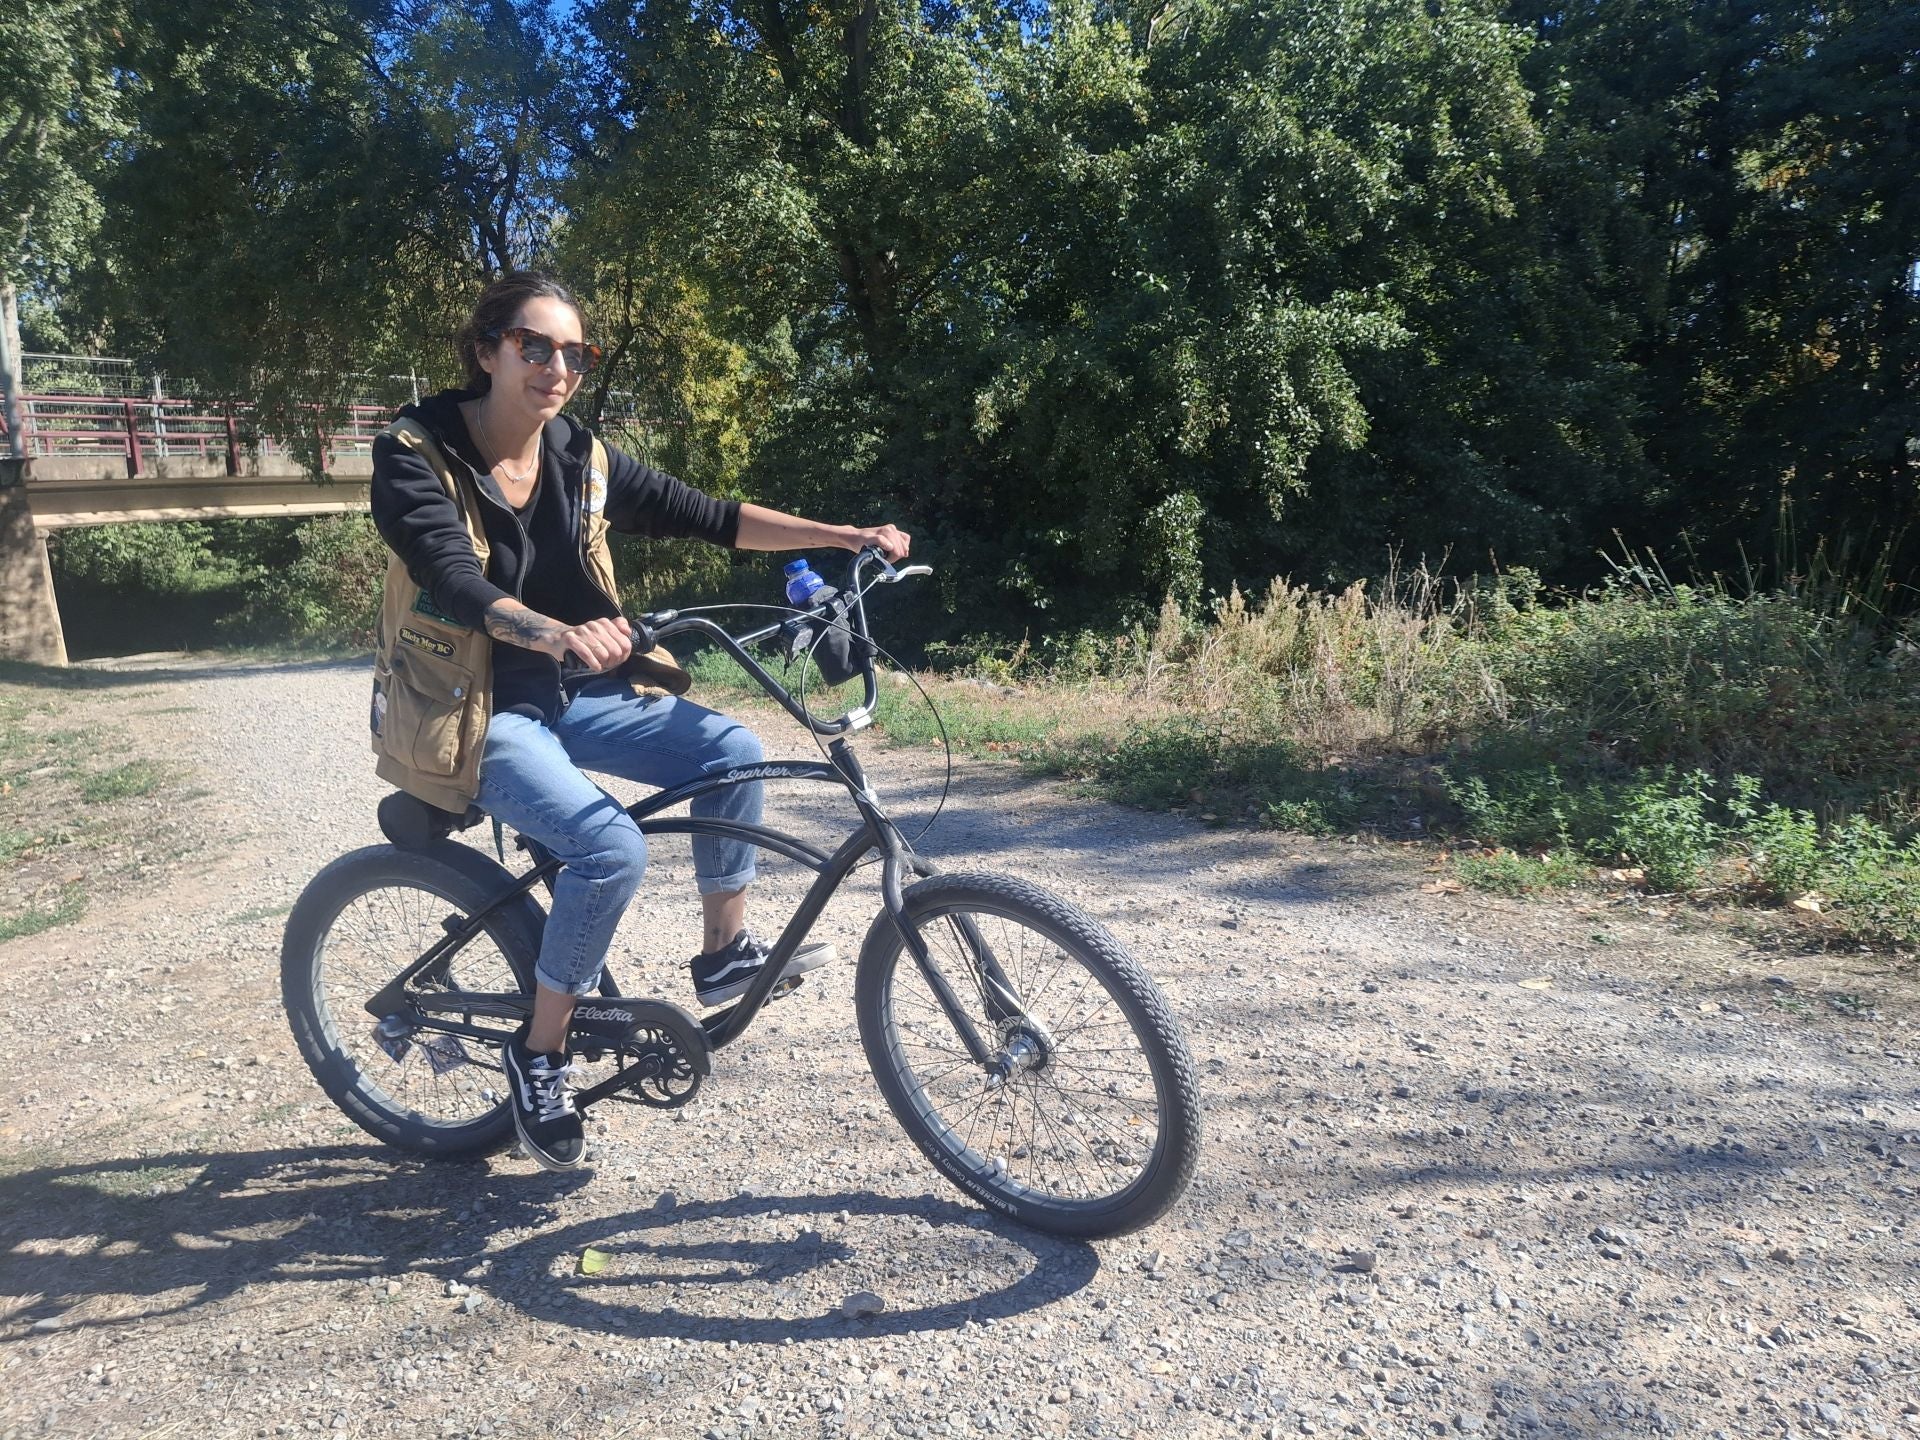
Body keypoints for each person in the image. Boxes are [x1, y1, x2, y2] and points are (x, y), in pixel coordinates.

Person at [368, 271, 909, 1171]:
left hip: (573, 695)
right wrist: (553, 633)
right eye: (536, 347)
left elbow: (714, 518)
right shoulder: (416, 451)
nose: (558, 368)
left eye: (574, 354)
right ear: (487, 350)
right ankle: (538, 1053)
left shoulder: (579, 454)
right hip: (474, 709)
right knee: (609, 848)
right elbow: (451, 578)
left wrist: (844, 537)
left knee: (733, 750)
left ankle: (725, 953)